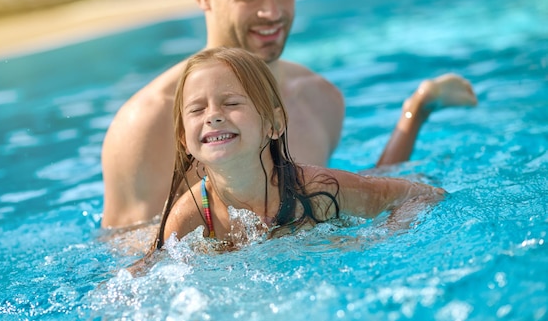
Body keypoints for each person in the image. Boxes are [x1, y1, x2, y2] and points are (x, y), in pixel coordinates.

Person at [100, 0, 477, 228]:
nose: (272, 12)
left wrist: (413, 114)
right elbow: (133, 263)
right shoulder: (147, 125)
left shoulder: (319, 99)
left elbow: (357, 198)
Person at [151, 47, 447, 250]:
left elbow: (419, 195)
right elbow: (150, 270)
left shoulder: (318, 190)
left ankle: (417, 110)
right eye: (197, 109)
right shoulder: (192, 215)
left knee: (380, 174)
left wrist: (377, 240)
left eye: (231, 103)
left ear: (274, 123)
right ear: (182, 138)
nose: (213, 115)